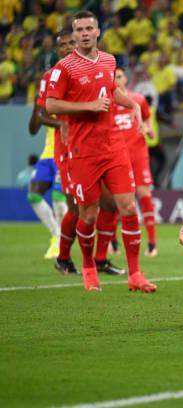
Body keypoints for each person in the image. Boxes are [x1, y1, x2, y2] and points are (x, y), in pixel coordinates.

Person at [45, 10, 156, 292]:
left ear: (97, 32)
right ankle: (88, 266)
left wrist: (131, 104)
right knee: (89, 215)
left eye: (88, 28)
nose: (84, 34)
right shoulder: (64, 68)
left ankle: (135, 274)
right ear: (74, 34)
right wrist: (89, 106)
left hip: (114, 146)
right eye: (79, 29)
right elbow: (51, 104)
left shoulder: (108, 60)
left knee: (128, 206)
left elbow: (111, 90)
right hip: (83, 151)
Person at [27, 28, 74, 261]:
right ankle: (57, 236)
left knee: (59, 197)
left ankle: (62, 243)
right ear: (57, 49)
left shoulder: (79, 76)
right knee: (34, 195)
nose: (66, 48)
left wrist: (59, 122)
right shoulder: (48, 78)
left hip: (69, 148)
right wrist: (39, 102)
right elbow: (33, 127)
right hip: (49, 150)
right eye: (62, 45)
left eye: (70, 43)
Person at [113, 66, 158, 257]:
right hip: (116, 156)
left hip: (138, 154)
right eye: (113, 77)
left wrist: (148, 129)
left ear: (126, 79)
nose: (117, 79)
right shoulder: (107, 102)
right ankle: (112, 241)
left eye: (120, 76)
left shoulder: (138, 99)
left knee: (144, 194)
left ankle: (152, 243)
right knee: (116, 200)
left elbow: (147, 120)